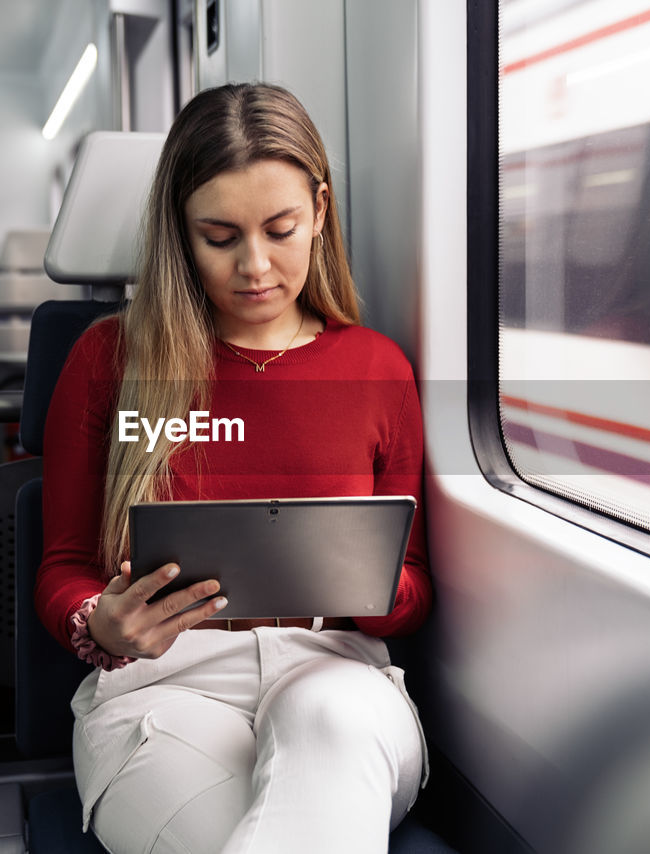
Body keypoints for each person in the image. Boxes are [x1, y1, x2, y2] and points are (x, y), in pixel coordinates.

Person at [36, 82, 432, 853]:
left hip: (335, 672)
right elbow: (61, 569)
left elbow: (413, 583)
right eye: (220, 237)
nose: (256, 266)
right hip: (164, 689)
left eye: (281, 229)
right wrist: (99, 626)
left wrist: (370, 585)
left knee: (328, 720)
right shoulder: (106, 361)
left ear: (320, 210)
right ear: (180, 234)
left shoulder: (376, 367)